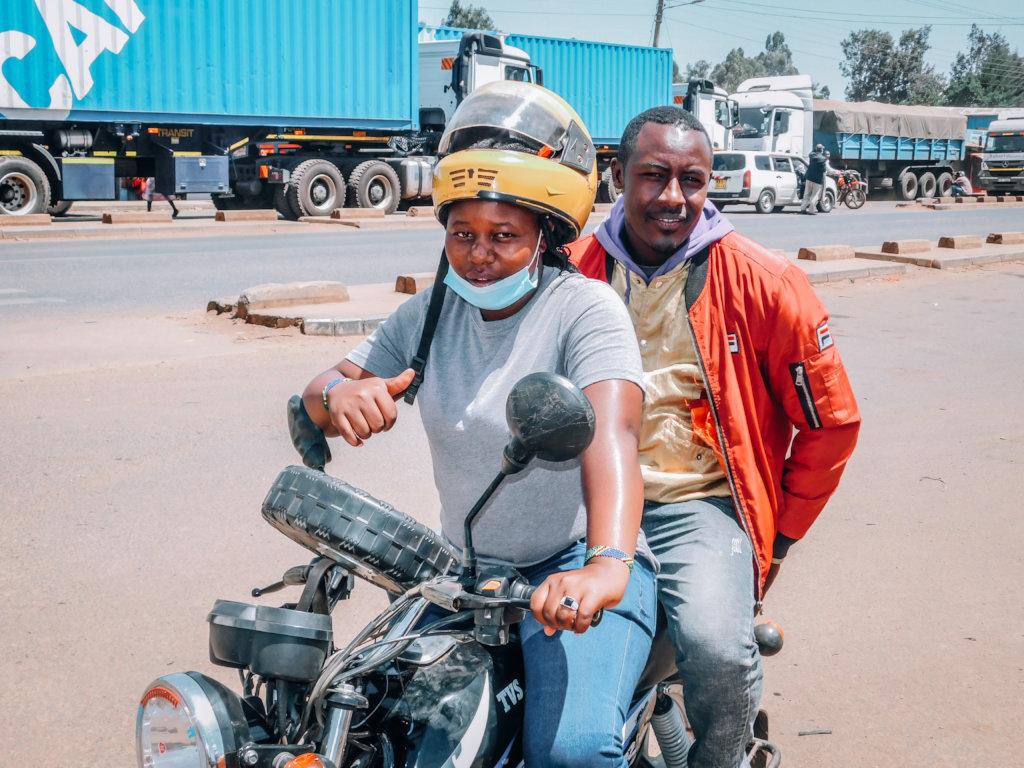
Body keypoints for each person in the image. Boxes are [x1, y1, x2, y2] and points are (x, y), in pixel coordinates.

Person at [302, 81, 656, 768]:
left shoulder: (584, 310)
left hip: (570, 567)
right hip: (465, 575)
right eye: (462, 234)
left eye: (504, 237)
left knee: (572, 754)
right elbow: (319, 391)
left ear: (546, 238)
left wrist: (606, 565)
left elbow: (613, 435)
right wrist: (338, 396)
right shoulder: (430, 313)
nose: (478, 254)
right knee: (379, 721)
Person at [567, 106, 860, 768]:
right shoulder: (569, 269)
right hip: (579, 503)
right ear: (616, 176)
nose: (673, 197)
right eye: (653, 176)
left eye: (692, 180)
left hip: (697, 504)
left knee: (720, 651)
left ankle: (725, 755)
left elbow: (831, 424)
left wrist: (778, 541)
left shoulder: (767, 282)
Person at [799, 143, 828, 214]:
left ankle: (803, 209)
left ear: (816, 149)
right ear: (822, 150)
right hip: (817, 180)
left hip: (809, 178)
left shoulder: (812, 156)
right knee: (815, 195)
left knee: (807, 194)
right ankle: (811, 210)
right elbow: (824, 170)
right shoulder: (823, 159)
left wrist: (816, 149)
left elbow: (811, 152)